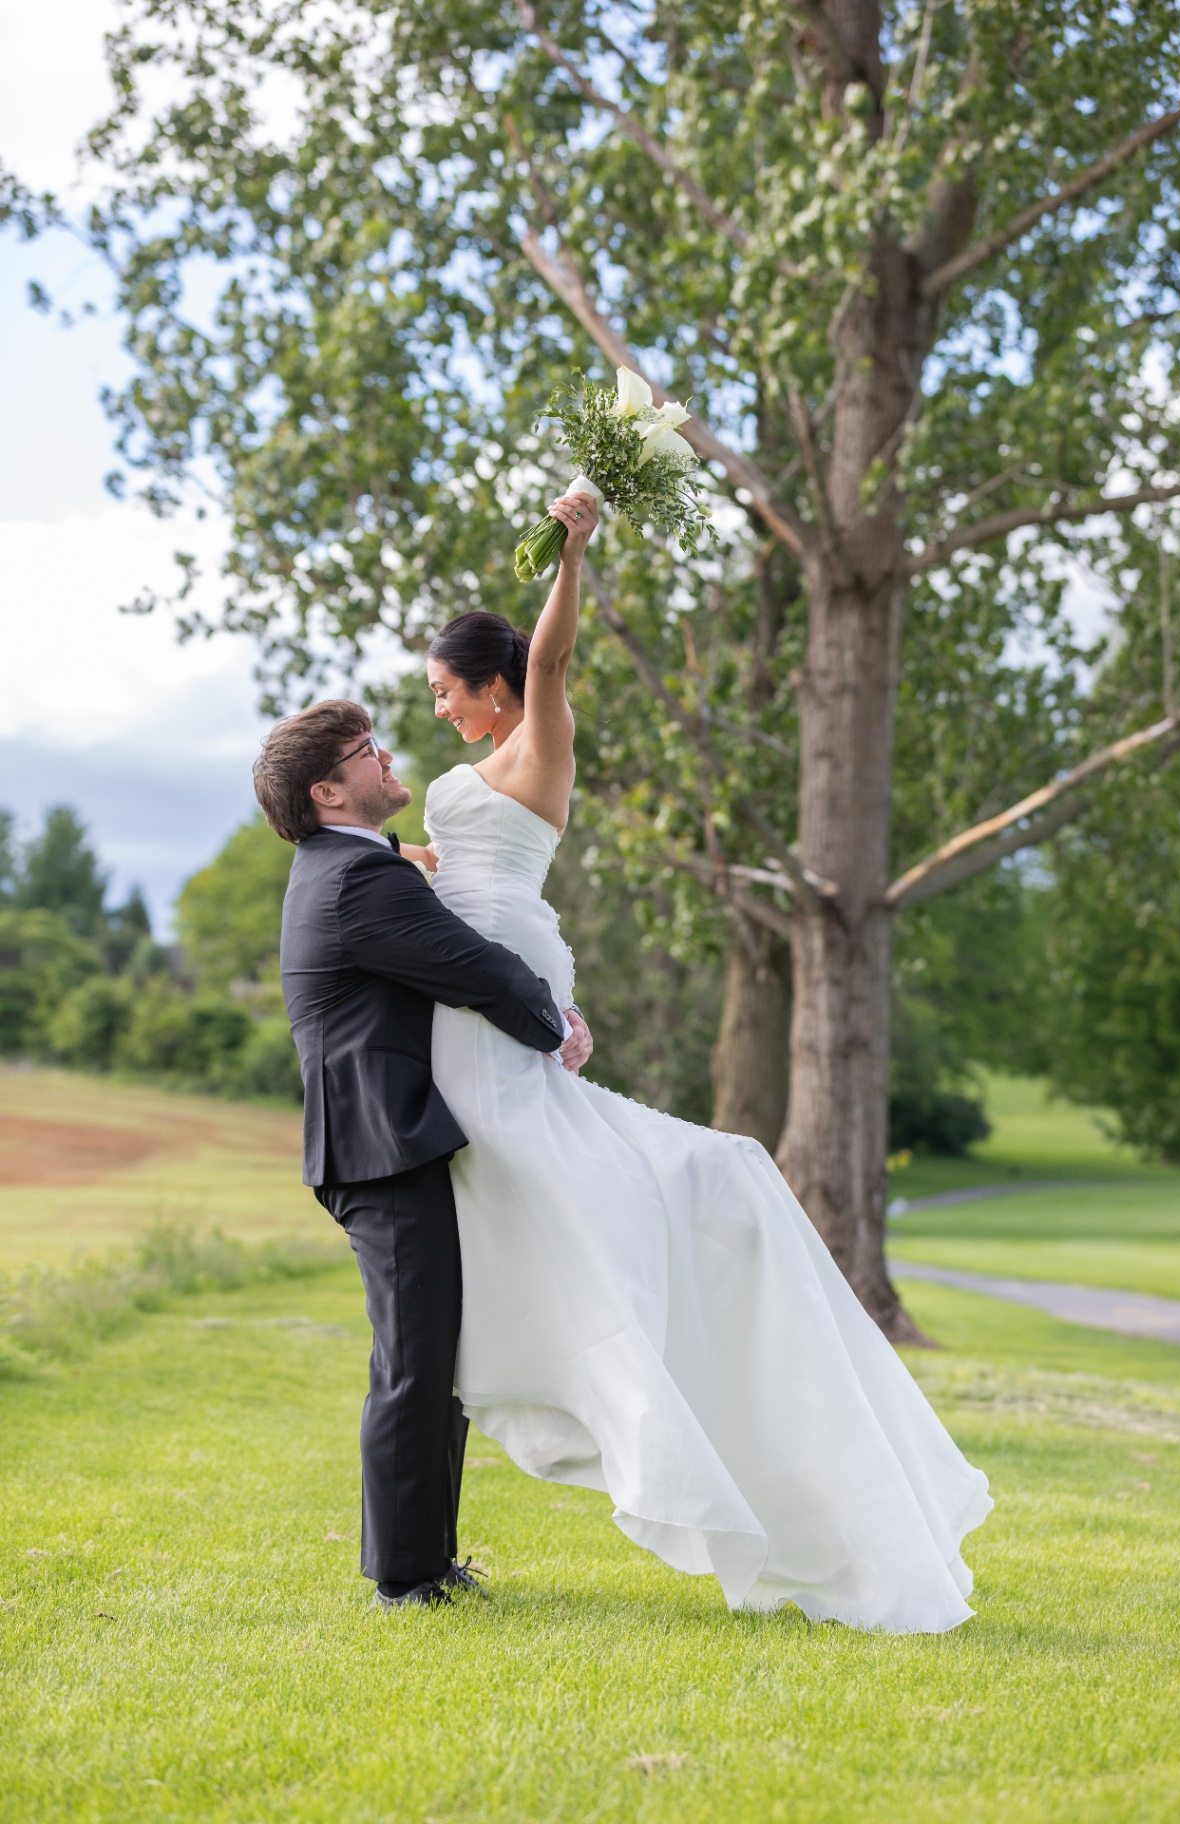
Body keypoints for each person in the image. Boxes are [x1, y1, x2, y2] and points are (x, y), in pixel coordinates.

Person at [416, 487, 993, 1632]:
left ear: (493, 685)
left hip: (500, 971)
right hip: (475, 965)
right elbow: (443, 857)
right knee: (520, 1162)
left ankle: (609, 1346)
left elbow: (554, 657)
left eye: (445, 692)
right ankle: (537, 1325)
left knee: (562, 1160)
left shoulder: (540, 736)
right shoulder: (470, 778)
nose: (437, 712)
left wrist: (573, 552)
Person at [254, 700, 592, 1609]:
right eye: (368, 753)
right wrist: (552, 1023)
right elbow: (471, 966)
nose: (387, 756)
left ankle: (427, 1559)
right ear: (329, 791)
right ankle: (405, 1580)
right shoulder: (359, 881)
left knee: (430, 1354)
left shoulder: (355, 865)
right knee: (412, 1360)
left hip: (386, 1140)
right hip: (381, 1146)